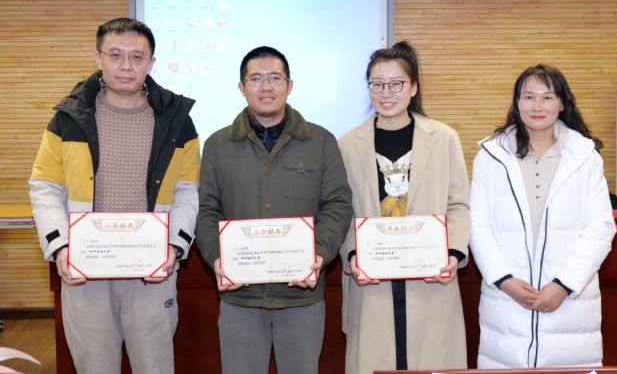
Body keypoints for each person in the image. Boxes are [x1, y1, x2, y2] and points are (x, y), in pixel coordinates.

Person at [29, 18, 200, 374]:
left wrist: (174, 246)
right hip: (86, 269)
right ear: (98, 58)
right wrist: (61, 247)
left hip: (152, 269)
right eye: (116, 55)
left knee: (154, 366)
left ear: (151, 63)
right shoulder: (68, 118)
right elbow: (45, 187)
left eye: (137, 57)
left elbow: (187, 190)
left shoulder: (177, 120)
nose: (126, 66)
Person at [196, 45, 352, 374]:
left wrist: (320, 253)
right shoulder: (217, 145)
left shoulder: (321, 141)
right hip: (240, 297)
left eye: (275, 78)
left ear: (289, 85)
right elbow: (207, 211)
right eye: (255, 78)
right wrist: (217, 258)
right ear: (241, 87)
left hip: (301, 297)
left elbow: (337, 204)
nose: (266, 87)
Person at [469, 64, 616, 369]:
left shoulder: (585, 156)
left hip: (570, 305)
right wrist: (504, 280)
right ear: (517, 102)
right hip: (506, 302)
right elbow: (477, 226)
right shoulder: (491, 156)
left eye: (547, 97)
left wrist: (563, 284)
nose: (537, 106)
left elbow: (600, 228)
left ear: (562, 103)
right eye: (529, 97)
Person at [339, 41, 469, 374]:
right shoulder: (348, 145)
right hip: (372, 280)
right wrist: (353, 255)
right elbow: (341, 212)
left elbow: (458, 204)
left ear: (413, 87)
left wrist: (453, 252)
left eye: (396, 83)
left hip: (431, 277)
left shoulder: (444, 138)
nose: (386, 93)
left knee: (431, 362)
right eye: (377, 84)